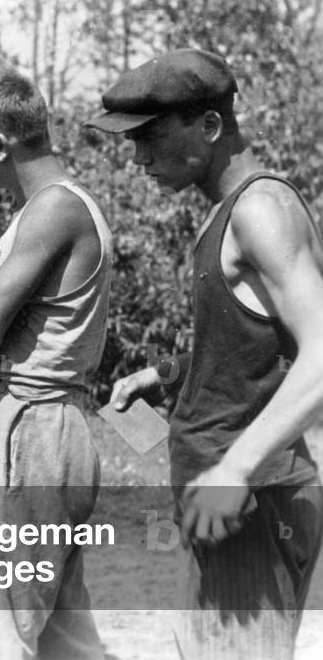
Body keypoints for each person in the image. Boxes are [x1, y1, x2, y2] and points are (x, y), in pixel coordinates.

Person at [87, 48, 323, 659]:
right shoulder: (228, 211)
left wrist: (236, 468)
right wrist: (167, 376)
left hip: (253, 499)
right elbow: (267, 350)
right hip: (223, 500)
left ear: (211, 126)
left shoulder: (261, 210)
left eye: (151, 139)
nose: (140, 160)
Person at [0, 67, 111, 660]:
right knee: (65, 635)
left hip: (26, 427)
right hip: (43, 426)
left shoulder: (52, 209)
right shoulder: (45, 210)